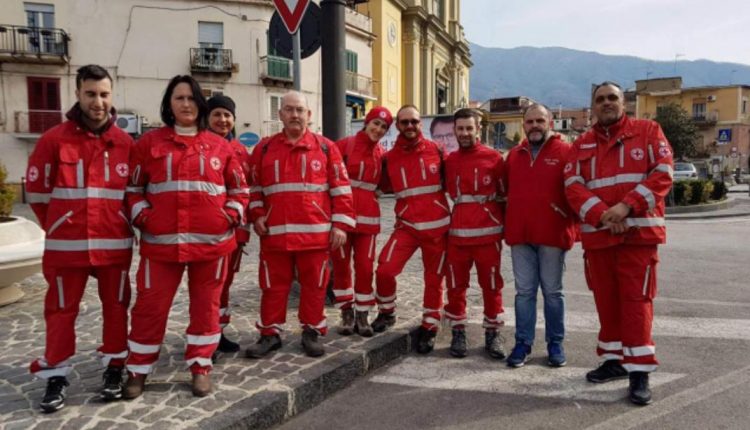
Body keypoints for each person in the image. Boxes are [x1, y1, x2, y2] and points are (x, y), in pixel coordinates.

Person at [123, 75, 248, 398]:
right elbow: (133, 190)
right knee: (150, 308)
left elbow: (239, 190)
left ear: (200, 104)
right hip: (161, 246)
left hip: (212, 246)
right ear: (169, 104)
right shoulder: (148, 145)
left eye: (192, 98)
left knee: (206, 308)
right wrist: (145, 218)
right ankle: (138, 370)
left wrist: (230, 216)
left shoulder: (221, 146)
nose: (187, 104)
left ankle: (200, 366)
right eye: (179, 98)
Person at [26, 65, 134, 412]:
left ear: (111, 96)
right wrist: (60, 225)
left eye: (104, 94)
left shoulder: (125, 143)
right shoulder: (53, 140)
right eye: (90, 94)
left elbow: (133, 195)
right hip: (66, 247)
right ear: (77, 94)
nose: (98, 102)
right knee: (60, 311)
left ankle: (115, 367)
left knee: (116, 309)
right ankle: (56, 374)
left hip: (113, 246)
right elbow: (38, 195)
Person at [564, 81, 673, 405]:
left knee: (636, 304)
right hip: (599, 238)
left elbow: (663, 173)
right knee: (607, 303)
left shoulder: (649, 131)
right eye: (600, 99)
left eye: (613, 98)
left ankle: (639, 371)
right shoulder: (581, 144)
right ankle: (614, 362)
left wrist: (625, 206)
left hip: (638, 236)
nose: (607, 103)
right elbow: (572, 185)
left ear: (623, 103)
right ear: (592, 107)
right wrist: (602, 216)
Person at [245, 91, 355, 358]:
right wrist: (257, 214)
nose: (295, 115)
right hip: (275, 236)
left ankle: (312, 331)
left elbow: (341, 189)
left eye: (300, 110)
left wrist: (340, 225)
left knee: (315, 286)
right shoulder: (264, 148)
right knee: (272, 286)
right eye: (289, 110)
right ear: (280, 114)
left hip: (315, 236)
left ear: (309, 114)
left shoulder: (327, 148)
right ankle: (269, 334)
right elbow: (254, 187)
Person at [372, 104, 449, 354]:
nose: (410, 126)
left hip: (437, 229)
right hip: (406, 227)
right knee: (385, 270)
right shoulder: (389, 158)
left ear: (420, 124)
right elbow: (375, 186)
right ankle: (386, 312)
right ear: (397, 125)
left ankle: (430, 326)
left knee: (434, 280)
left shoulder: (437, 150)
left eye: (414, 121)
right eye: (404, 122)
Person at [503, 104, 576, 368]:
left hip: (552, 235)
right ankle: (523, 343)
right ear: (524, 125)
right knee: (524, 293)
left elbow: (577, 192)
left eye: (540, 121)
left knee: (553, 293)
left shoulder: (566, 152)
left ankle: (555, 343)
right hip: (520, 236)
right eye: (530, 121)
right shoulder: (514, 156)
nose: (535, 126)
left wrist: (570, 224)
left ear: (550, 123)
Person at [443, 108, 506, 359]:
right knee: (456, 286)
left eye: (470, 128)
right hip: (457, 236)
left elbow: (503, 194)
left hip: (488, 237)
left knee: (491, 286)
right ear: (454, 131)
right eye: (460, 129)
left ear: (478, 129)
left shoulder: (494, 158)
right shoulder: (450, 161)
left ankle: (493, 333)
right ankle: (458, 331)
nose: (465, 133)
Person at [331, 106, 392, 337]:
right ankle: (346, 312)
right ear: (366, 123)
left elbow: (386, 182)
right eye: (375, 123)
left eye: (384, 127)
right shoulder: (344, 145)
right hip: (343, 217)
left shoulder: (380, 154)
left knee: (365, 268)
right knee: (341, 266)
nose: (378, 129)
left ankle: (362, 314)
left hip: (368, 219)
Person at [206, 95, 251, 353]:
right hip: (207, 232)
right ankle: (206, 332)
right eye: (217, 114)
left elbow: (248, 189)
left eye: (227, 115)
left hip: (235, 232)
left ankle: (218, 331)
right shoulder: (200, 146)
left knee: (225, 283)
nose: (223, 120)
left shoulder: (240, 151)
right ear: (208, 117)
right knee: (209, 285)